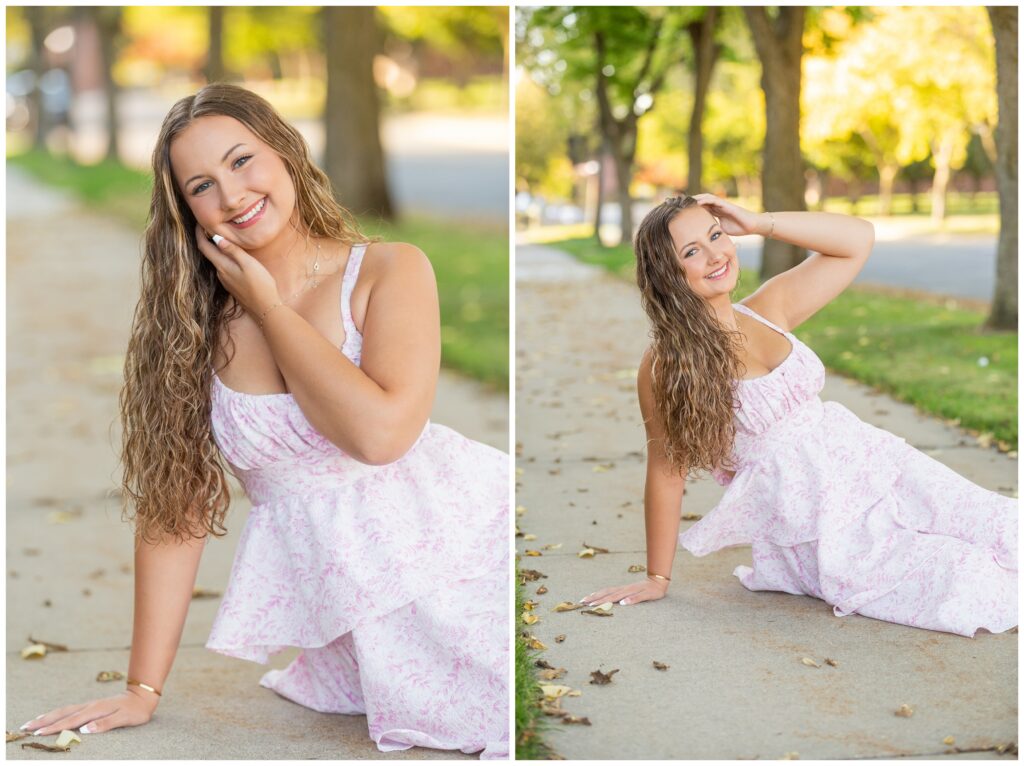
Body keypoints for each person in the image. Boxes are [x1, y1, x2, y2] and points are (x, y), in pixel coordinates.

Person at [21, 83, 509, 759]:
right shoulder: (194, 328)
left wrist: (272, 309)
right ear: (185, 209)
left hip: (455, 561)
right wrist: (142, 688)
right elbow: (177, 507)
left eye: (242, 160)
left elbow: (381, 436)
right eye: (202, 184)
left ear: (284, 151)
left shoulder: (389, 271)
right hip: (353, 623)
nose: (232, 193)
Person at [582, 194, 1017, 637]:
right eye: (692, 251)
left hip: (879, 468)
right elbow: (666, 470)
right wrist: (658, 577)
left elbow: (857, 239)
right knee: (965, 576)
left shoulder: (768, 308)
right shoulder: (666, 365)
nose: (716, 254)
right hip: (816, 522)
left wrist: (758, 222)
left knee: (1005, 525)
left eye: (716, 235)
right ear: (666, 274)